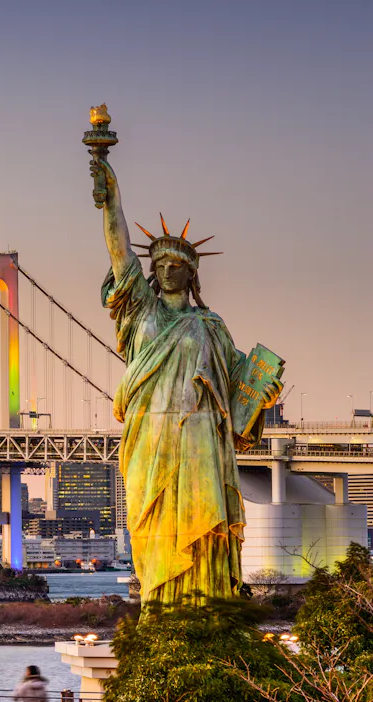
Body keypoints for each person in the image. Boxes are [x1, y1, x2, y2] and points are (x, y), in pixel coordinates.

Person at [89, 136, 282, 604]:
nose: (169, 270)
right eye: (161, 264)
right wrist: (110, 192)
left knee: (204, 528)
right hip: (149, 438)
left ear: (192, 275)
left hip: (200, 440)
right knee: (153, 527)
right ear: (152, 272)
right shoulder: (140, 311)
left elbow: (238, 392)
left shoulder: (210, 326)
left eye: (178, 264)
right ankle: (160, 605)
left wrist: (265, 394)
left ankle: (208, 604)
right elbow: (119, 252)